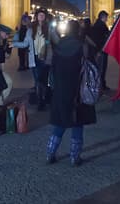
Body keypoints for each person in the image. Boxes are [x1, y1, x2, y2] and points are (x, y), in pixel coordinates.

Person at [45, 20, 96, 166]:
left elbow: (50, 67)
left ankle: (50, 152)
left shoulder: (58, 46)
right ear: (78, 31)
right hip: (78, 90)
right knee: (78, 124)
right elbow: (92, 66)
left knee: (60, 123)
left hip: (61, 90)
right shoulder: (83, 47)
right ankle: (75, 157)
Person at [11, 8, 53, 111]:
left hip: (45, 59)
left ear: (45, 17)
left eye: (43, 15)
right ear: (36, 16)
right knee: (38, 81)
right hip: (34, 58)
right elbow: (25, 43)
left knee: (42, 81)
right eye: (40, 15)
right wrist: (14, 44)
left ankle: (42, 100)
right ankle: (41, 101)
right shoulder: (30, 30)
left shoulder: (50, 29)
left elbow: (56, 41)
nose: (41, 16)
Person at [90, 11, 110, 90]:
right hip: (101, 50)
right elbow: (101, 40)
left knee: (99, 68)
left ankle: (100, 85)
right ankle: (100, 86)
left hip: (98, 50)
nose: (107, 19)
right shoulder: (101, 26)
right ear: (103, 17)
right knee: (102, 68)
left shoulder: (96, 25)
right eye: (106, 18)